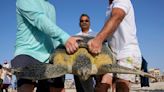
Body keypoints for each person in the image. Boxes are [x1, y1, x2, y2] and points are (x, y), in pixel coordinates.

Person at [11, 0, 81, 92]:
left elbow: (51, 33)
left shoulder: (51, 7)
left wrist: (59, 51)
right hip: (27, 52)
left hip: (49, 56)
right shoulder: (24, 1)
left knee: (59, 88)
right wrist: (66, 39)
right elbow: (39, 20)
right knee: (26, 87)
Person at [88, 0, 142, 92]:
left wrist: (98, 39)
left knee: (121, 88)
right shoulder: (110, 6)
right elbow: (110, 32)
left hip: (127, 53)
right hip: (112, 55)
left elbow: (117, 17)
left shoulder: (122, 1)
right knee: (101, 88)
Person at [75, 13, 95, 92]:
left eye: (86, 20)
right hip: (79, 66)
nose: (84, 22)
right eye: (82, 21)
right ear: (79, 23)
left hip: (95, 63)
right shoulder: (75, 37)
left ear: (89, 23)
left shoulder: (96, 35)